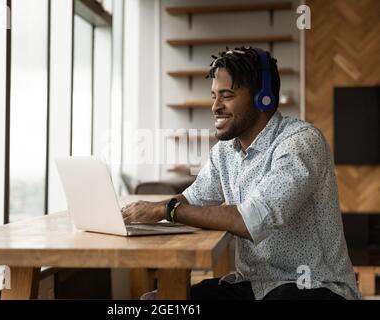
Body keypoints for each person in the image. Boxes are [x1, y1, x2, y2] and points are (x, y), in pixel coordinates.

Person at [121, 46, 361, 300]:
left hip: (314, 286)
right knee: (158, 302)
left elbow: (251, 220)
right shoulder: (225, 152)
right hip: (254, 285)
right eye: (213, 95)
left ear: (263, 97)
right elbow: (192, 199)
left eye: (227, 95)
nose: (215, 106)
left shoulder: (300, 142)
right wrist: (148, 208)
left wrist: (167, 210)